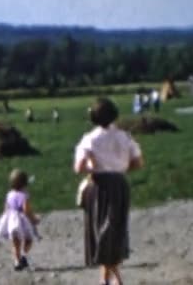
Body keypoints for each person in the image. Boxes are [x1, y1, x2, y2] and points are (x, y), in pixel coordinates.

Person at [74, 97, 144, 285]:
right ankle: (106, 278)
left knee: (102, 229)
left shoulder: (89, 139)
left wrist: (94, 167)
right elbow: (138, 162)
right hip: (120, 184)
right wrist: (119, 169)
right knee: (115, 228)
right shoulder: (124, 136)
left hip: (99, 185)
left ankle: (115, 278)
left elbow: (79, 167)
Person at [0, 169, 40, 271]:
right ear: (24, 184)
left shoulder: (9, 195)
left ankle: (17, 261)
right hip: (21, 221)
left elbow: (6, 208)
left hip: (12, 222)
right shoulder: (24, 196)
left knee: (16, 243)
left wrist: (4, 220)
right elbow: (26, 210)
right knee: (29, 239)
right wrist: (34, 219)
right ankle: (24, 256)